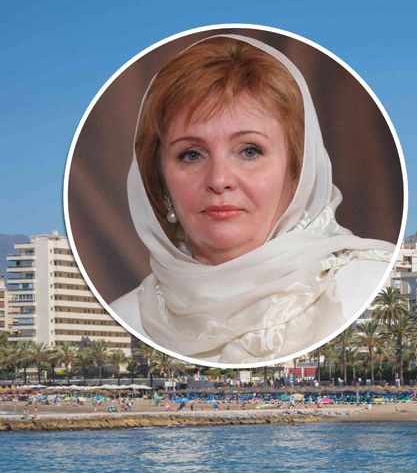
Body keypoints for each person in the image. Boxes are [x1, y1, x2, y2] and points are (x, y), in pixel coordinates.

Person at [112, 35, 395, 363]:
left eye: (250, 151)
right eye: (191, 155)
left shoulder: (371, 283)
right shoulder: (128, 317)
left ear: (298, 170)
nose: (219, 180)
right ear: (159, 177)